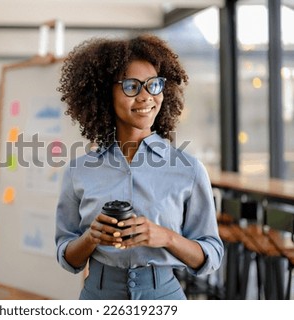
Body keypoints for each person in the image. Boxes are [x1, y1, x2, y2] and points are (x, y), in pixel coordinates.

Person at [55, 34, 224, 300]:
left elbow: (212, 255)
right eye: (132, 86)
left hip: (164, 297)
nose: (146, 97)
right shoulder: (80, 170)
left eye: (153, 85)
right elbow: (66, 256)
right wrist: (91, 238)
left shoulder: (188, 169)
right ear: (104, 92)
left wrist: (166, 237)